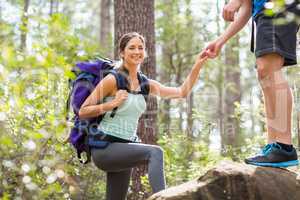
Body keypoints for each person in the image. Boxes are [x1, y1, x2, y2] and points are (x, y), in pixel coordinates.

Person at [78, 32, 208, 199]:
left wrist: (198, 64)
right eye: (131, 47)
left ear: (145, 53)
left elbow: (181, 92)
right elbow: (83, 111)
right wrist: (111, 104)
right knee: (155, 153)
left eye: (140, 48)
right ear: (122, 53)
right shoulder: (112, 80)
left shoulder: (146, 84)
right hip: (105, 147)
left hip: (125, 146)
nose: (136, 51)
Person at [204, 0, 299, 167]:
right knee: (266, 75)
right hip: (263, 14)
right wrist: (220, 41)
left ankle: (284, 147)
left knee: (269, 70)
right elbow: (247, 8)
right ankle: (274, 145)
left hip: (277, 5)